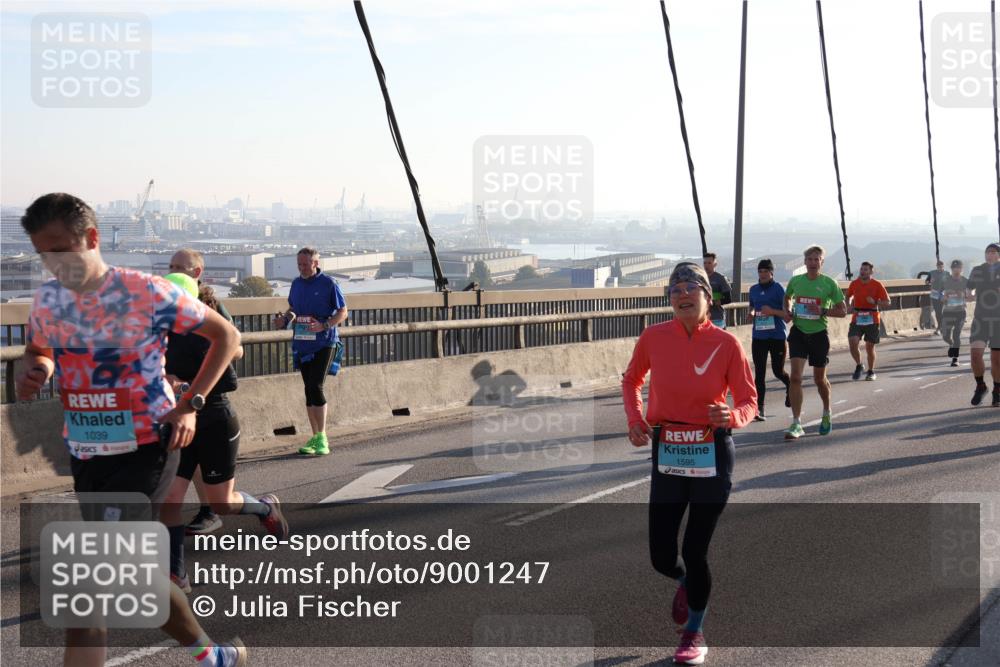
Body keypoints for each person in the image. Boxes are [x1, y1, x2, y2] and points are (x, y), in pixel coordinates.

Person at [14, 193, 246, 667]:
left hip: (147, 446)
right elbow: (39, 349)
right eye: (43, 253)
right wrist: (36, 368)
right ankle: (212, 656)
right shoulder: (48, 300)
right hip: (86, 450)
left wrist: (190, 404)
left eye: (60, 250)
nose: (52, 263)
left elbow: (228, 337)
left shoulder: (146, 291)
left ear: (92, 239)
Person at [623, 262, 757, 666]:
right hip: (668, 448)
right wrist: (635, 418)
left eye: (691, 288)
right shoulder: (653, 336)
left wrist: (731, 417)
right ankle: (686, 583)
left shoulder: (727, 343)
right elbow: (632, 380)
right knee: (662, 556)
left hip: (711, 451)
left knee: (695, 549)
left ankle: (694, 630)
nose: (682, 294)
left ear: (707, 297)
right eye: (674, 289)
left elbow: (750, 401)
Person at [160, 272, 289, 595]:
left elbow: (229, 382)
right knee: (170, 499)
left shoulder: (206, 330)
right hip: (178, 423)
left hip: (215, 420)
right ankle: (176, 576)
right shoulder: (157, 334)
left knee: (221, 504)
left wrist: (186, 387)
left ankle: (265, 507)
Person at [168, 249, 229, 535]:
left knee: (218, 491)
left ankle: (212, 510)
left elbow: (234, 344)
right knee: (177, 477)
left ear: (196, 273)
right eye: (171, 266)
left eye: (181, 267)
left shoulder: (209, 305)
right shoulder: (163, 305)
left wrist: (195, 384)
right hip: (175, 400)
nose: (174, 271)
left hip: (206, 400)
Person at [272, 247, 348, 455]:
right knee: (308, 389)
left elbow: (343, 311)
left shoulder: (329, 284)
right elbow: (293, 309)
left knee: (316, 385)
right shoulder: (296, 284)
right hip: (302, 342)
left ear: (315, 263)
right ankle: (314, 437)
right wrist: (284, 320)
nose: (302, 268)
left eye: (305, 264)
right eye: (299, 264)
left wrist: (325, 325)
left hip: (324, 341)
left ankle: (322, 436)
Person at [782, 245, 847, 440]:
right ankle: (796, 423)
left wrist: (823, 311)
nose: (812, 263)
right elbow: (787, 297)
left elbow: (843, 311)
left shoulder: (829, 283)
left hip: (819, 334)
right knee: (795, 378)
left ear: (821, 262)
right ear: (805, 262)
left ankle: (826, 412)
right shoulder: (796, 281)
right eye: (809, 259)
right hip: (799, 332)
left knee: (819, 380)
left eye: (816, 259)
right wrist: (788, 309)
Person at [747, 259, 790, 421]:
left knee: (778, 371)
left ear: (772, 273)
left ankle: (790, 386)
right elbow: (752, 306)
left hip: (777, 336)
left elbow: (787, 315)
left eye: (766, 271)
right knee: (759, 374)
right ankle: (760, 408)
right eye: (760, 272)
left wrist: (772, 311)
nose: (763, 274)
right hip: (759, 336)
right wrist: (751, 313)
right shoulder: (754, 289)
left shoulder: (779, 289)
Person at [967, 242, 1000, 407]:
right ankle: (981, 385)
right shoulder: (977, 270)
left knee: (997, 359)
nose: (990, 255)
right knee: (975, 355)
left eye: (994, 252)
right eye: (988, 252)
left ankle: (997, 390)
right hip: (980, 319)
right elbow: (969, 288)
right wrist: (969, 294)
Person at [846, 261, 891, 381]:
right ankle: (859, 365)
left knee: (869, 347)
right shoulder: (854, 283)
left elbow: (887, 302)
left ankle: (871, 371)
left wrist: (875, 302)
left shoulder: (877, 284)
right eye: (861, 269)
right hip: (857, 316)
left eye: (866, 269)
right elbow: (848, 295)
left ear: (871, 272)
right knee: (852, 341)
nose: (863, 271)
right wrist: (849, 305)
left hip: (872, 317)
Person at [939, 260, 970, 367]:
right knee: (945, 336)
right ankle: (951, 344)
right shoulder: (945, 280)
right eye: (954, 268)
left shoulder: (966, 281)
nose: (956, 270)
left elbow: (971, 294)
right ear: (951, 269)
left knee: (956, 334)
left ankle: (955, 358)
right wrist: (943, 297)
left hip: (960, 312)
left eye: (958, 268)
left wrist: (966, 295)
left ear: (962, 269)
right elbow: (940, 293)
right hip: (947, 312)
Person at [702, 253, 732, 329]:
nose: (706, 265)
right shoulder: (700, 278)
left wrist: (714, 302)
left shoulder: (720, 278)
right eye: (705, 263)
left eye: (709, 263)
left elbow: (728, 299)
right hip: (703, 318)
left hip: (717, 318)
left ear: (715, 264)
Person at [926, 260, 947, 333]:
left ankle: (941, 326)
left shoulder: (947, 273)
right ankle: (940, 326)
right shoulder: (931, 273)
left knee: (941, 311)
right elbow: (926, 282)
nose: (940, 268)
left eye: (941, 267)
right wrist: (930, 281)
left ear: (943, 266)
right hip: (934, 294)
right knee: (937, 311)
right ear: (936, 266)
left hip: (943, 294)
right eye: (938, 267)